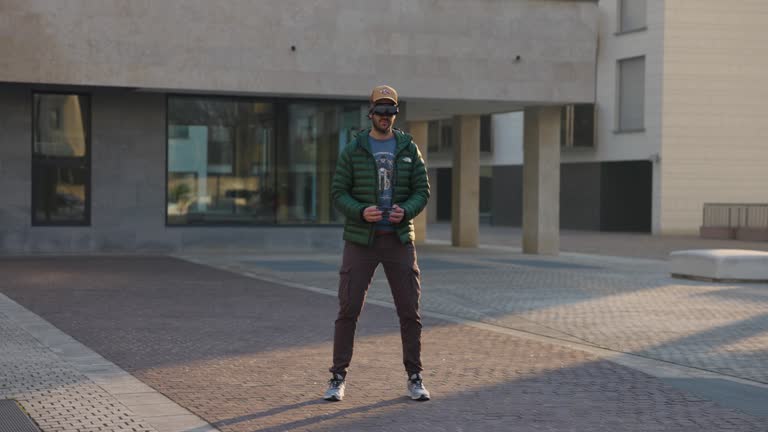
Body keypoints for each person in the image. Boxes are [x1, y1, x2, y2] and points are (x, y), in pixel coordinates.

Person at [323, 85, 431, 402]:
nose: (386, 117)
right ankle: (337, 377)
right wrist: (360, 211)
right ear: (371, 113)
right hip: (361, 241)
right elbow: (338, 192)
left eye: (391, 111)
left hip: (398, 240)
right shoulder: (354, 149)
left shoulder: (409, 148)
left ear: (395, 114)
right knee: (348, 309)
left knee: (410, 311)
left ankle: (415, 377)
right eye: (381, 111)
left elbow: (422, 191)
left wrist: (406, 210)